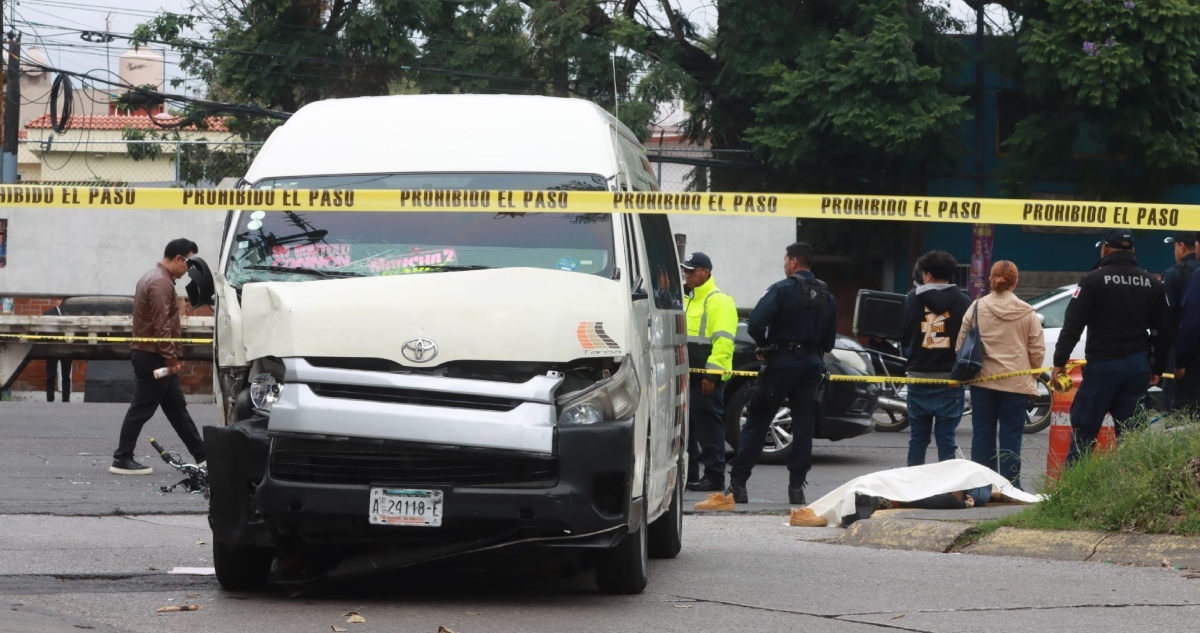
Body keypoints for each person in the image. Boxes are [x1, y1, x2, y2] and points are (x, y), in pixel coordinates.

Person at [694, 242, 837, 511]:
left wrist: (765, 346)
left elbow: (757, 321)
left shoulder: (782, 289)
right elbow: (829, 341)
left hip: (782, 362)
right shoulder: (827, 295)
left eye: (785, 260)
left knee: (758, 419)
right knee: (804, 423)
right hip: (811, 365)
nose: (784, 265)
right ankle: (797, 488)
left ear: (794, 262)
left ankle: (738, 485)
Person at [1051, 229, 1171, 464]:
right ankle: (1132, 495)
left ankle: (1074, 495)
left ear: (1105, 248)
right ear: (1133, 251)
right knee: (1133, 439)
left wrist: (1059, 362)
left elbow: (1072, 325)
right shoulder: (1152, 283)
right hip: (1137, 367)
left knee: (1084, 434)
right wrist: (1156, 367)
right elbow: (1164, 331)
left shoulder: (1092, 280)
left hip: (1103, 367)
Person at [109, 239, 207, 475]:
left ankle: (203, 456)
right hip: (155, 358)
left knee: (176, 408)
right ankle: (122, 458)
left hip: (155, 356)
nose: (188, 270)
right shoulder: (160, 283)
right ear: (178, 259)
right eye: (188, 263)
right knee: (141, 408)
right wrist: (172, 360)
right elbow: (162, 326)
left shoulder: (154, 277)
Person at [955, 261, 1044, 490]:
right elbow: (1037, 352)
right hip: (1016, 384)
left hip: (982, 383)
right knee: (1011, 437)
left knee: (982, 434)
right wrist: (1031, 373)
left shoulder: (976, 307)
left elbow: (960, 346)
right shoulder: (1026, 312)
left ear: (991, 280)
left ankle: (981, 487)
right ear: (1015, 282)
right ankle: (1010, 486)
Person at [901, 250, 971, 467]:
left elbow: (905, 336)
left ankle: (913, 488)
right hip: (950, 379)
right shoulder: (964, 302)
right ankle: (948, 490)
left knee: (918, 438)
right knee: (946, 438)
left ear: (928, 275)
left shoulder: (912, 299)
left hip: (918, 377)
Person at [681, 252, 738, 492]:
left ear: (706, 272)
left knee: (709, 428)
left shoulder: (719, 300)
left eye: (692, 271)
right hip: (685, 375)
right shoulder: (687, 298)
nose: (688, 275)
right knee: (688, 428)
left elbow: (724, 342)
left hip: (705, 377)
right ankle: (691, 474)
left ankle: (715, 476)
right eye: (686, 271)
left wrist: (712, 374)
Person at [1160, 231, 1200, 409]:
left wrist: (1178, 362)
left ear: (1182, 246)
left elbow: (1166, 317)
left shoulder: (1174, 274)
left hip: (1182, 354)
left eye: (1175, 246)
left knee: (1178, 412)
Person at [43, 301, 73, 403]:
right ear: (56, 300)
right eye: (59, 299)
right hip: (52, 348)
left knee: (66, 376)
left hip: (66, 348)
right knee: (50, 375)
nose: (61, 301)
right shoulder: (49, 313)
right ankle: (50, 399)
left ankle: (66, 399)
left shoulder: (71, 313)